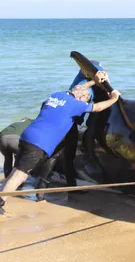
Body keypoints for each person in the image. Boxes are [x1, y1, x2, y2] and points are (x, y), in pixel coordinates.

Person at [0, 73, 121, 214]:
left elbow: (78, 89)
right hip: (39, 143)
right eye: (85, 99)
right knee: (20, 175)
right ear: (81, 98)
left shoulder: (57, 95)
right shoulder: (76, 104)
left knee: (15, 172)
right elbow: (98, 108)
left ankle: (2, 196)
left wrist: (93, 82)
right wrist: (114, 98)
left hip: (27, 136)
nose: (85, 103)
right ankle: (1, 201)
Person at [34, 62, 108, 200]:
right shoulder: (83, 82)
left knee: (63, 156)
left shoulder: (84, 80)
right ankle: (44, 187)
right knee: (60, 156)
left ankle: (56, 187)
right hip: (68, 123)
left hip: (68, 122)